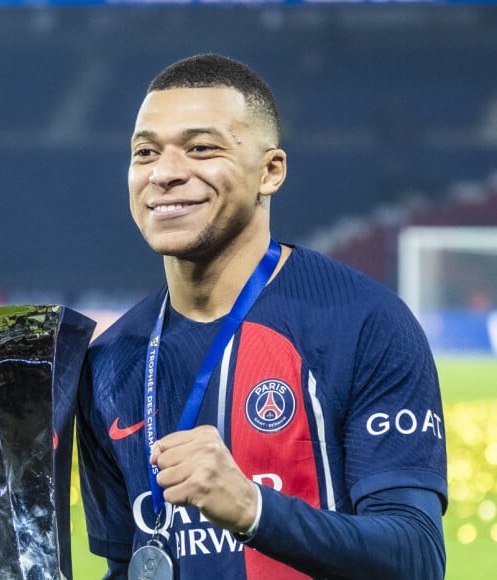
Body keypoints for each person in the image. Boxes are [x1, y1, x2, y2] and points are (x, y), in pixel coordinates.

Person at [77, 54, 447, 580]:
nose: (164, 173)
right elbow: (130, 565)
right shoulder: (108, 364)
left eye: (201, 148)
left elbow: (417, 557)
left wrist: (253, 509)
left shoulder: (363, 322)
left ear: (270, 171)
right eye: (145, 152)